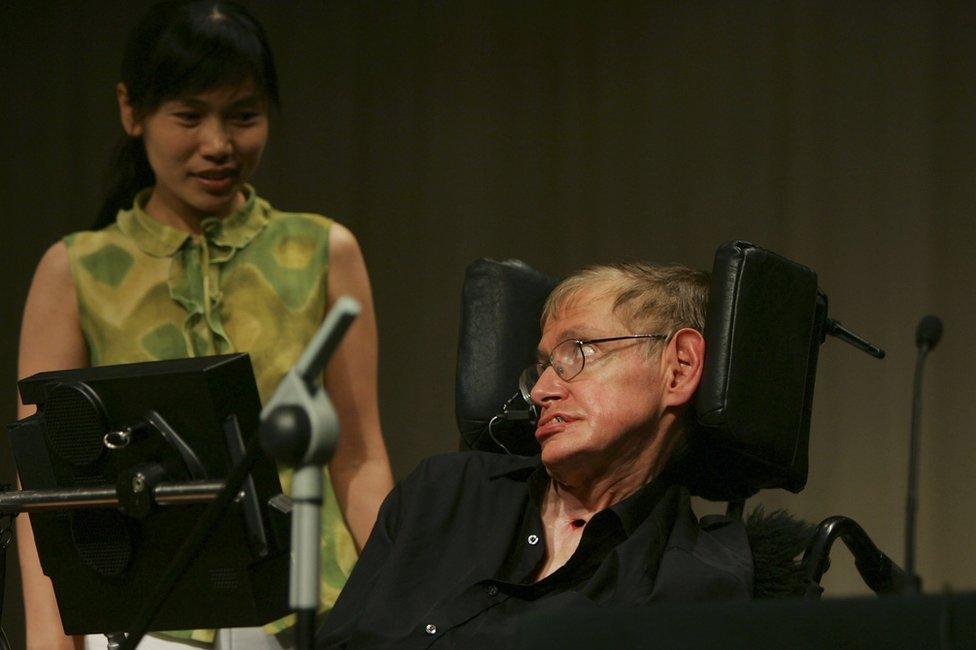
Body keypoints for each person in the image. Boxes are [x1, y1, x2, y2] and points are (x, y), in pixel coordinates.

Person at [15, 2, 393, 648]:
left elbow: (358, 460)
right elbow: (46, 495)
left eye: (244, 116)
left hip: (309, 610)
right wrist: (53, 643)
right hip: (144, 616)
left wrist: (396, 608)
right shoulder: (76, 270)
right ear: (132, 111)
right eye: (189, 116)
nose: (218, 145)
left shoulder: (323, 252)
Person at [317, 262, 753, 648]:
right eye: (544, 366)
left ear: (679, 366)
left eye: (579, 352)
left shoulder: (687, 583)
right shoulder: (441, 492)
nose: (541, 392)